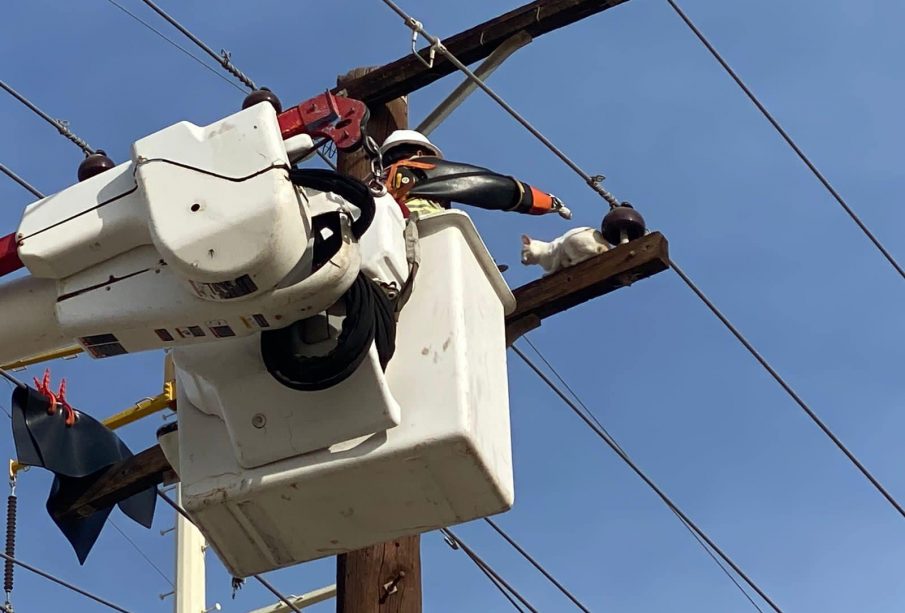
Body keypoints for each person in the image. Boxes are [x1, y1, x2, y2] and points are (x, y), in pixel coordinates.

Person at [380, 130, 571, 220]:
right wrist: (546, 202)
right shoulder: (423, 167)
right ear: (421, 152)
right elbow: (485, 185)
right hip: (422, 230)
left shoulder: (371, 182)